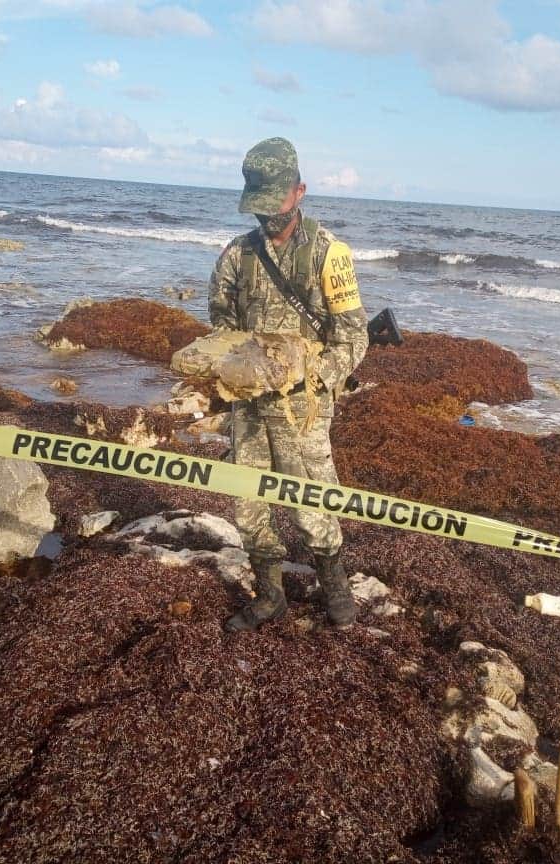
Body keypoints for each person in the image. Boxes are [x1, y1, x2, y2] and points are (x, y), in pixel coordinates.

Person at [208, 137, 369, 632]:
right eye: (259, 205)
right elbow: (221, 324)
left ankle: (335, 588)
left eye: (275, 202)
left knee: (313, 503)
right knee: (248, 502)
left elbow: (353, 338)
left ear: (299, 192)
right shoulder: (237, 255)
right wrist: (233, 369)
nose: (267, 215)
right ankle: (270, 594)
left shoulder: (329, 254)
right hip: (249, 407)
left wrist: (314, 376)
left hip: (304, 410)